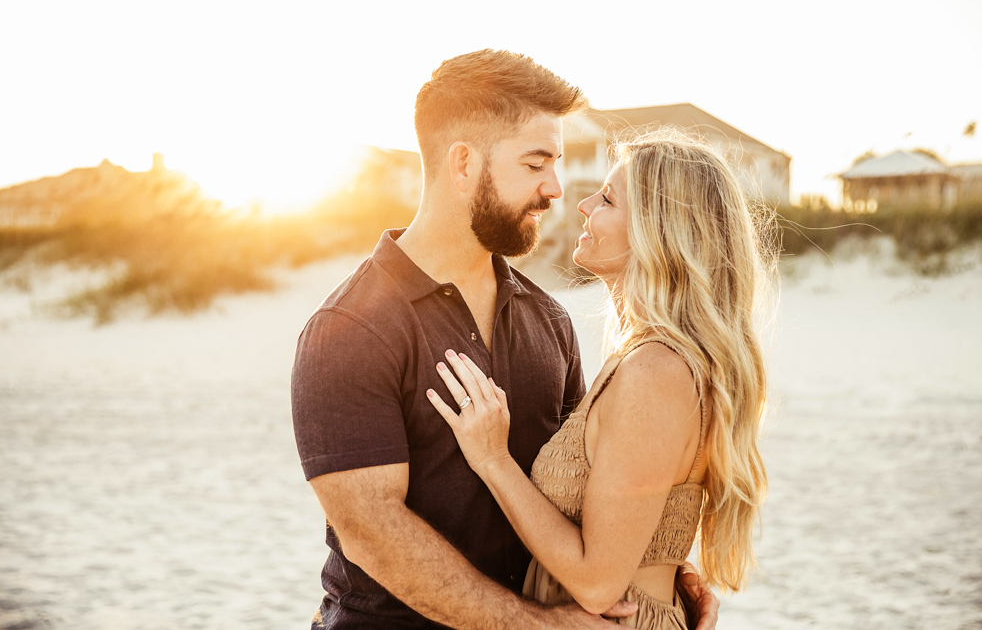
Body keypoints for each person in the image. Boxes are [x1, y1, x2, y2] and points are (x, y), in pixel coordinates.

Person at [290, 50, 720, 630]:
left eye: (557, 163)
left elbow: (595, 486)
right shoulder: (350, 330)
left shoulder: (548, 320)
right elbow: (373, 537)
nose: (556, 189)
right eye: (536, 163)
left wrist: (659, 571)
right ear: (463, 164)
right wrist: (534, 626)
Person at [427, 128, 773, 628]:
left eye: (608, 198)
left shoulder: (656, 370)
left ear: (661, 232)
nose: (584, 204)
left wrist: (492, 459)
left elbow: (596, 583)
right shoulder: (656, 359)